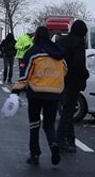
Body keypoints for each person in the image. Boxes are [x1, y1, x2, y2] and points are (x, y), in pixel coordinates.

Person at [12, 26, 67, 165]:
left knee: (34, 123)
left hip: (36, 93)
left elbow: (25, 75)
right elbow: (65, 70)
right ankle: (53, 144)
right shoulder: (58, 53)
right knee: (49, 124)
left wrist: (16, 90)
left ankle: (35, 154)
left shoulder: (33, 53)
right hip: (55, 93)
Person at [55, 19, 90, 151]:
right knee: (68, 111)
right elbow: (78, 64)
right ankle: (60, 140)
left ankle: (70, 139)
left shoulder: (62, 41)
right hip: (73, 80)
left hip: (60, 78)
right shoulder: (78, 43)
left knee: (66, 110)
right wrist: (85, 74)